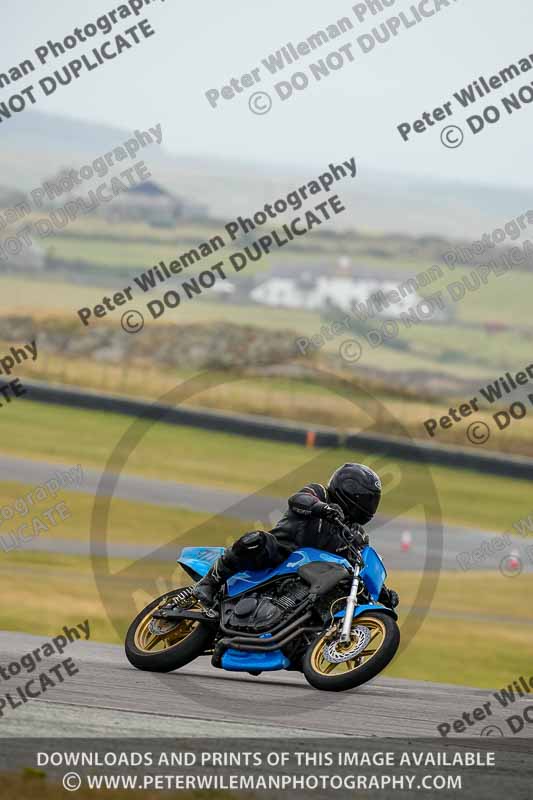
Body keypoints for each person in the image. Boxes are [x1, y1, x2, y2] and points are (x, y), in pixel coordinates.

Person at [192, 462, 399, 612]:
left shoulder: (357, 534)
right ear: (349, 491)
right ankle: (210, 582)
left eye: (372, 500)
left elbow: (359, 565)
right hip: (282, 551)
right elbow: (298, 499)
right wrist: (322, 508)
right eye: (365, 498)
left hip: (310, 576)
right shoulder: (319, 493)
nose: (369, 505)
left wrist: (382, 592)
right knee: (256, 539)